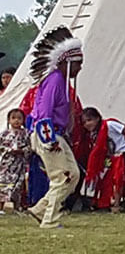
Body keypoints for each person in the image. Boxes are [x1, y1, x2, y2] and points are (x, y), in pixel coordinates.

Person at [26, 26, 84, 229]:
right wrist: (49, 141)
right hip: (47, 134)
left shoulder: (59, 81)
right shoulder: (54, 81)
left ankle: (40, 209)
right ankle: (49, 220)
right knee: (63, 176)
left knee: (74, 174)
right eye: (78, 64)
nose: (80, 69)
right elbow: (43, 112)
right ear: (68, 63)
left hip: (54, 134)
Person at [81, 107, 125, 211]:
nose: (87, 124)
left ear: (97, 118)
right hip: (110, 157)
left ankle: (118, 204)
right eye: (84, 122)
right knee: (105, 178)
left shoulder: (109, 125)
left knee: (120, 179)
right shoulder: (93, 134)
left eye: (89, 120)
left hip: (122, 153)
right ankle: (102, 202)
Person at [0, 107, 30, 212]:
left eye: (19, 118)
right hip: (6, 165)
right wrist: (9, 150)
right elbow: (1, 147)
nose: (16, 120)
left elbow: (30, 147)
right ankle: (1, 206)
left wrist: (22, 151)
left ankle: (17, 206)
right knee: (3, 185)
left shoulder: (26, 133)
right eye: (13, 118)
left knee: (18, 186)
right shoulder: (4, 134)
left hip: (19, 165)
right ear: (9, 120)